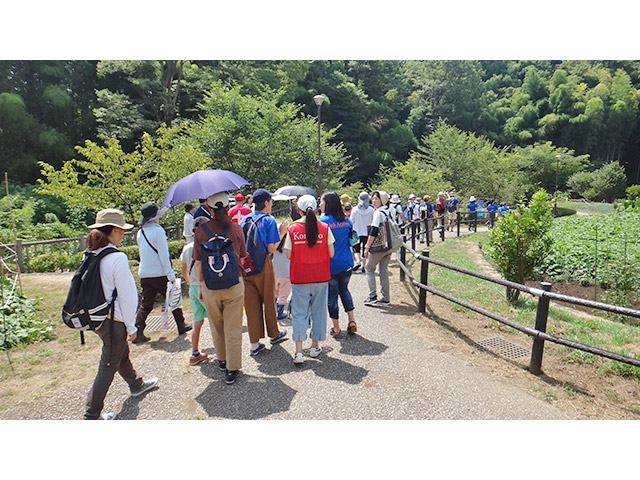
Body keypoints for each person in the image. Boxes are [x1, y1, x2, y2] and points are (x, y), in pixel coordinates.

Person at [83, 209, 158, 420]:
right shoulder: (117, 257)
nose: (123, 234)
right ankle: (92, 415)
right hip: (114, 321)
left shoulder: (90, 253)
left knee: (119, 352)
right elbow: (127, 297)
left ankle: (136, 384)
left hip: (97, 318)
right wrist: (132, 327)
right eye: (121, 230)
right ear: (115, 230)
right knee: (108, 366)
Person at [193, 192, 247, 385]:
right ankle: (232, 369)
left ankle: (222, 360)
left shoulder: (201, 231)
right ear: (227, 207)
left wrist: (200, 287)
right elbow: (241, 257)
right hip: (234, 283)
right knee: (233, 328)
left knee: (216, 326)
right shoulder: (236, 228)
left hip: (209, 286)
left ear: (209, 208)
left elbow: (199, 263)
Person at [285, 195, 335, 364]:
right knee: (318, 311)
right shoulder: (325, 227)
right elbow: (331, 253)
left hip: (299, 276)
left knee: (299, 313)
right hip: (321, 276)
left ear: (298, 210)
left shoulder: (292, 229)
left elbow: (288, 254)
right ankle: (315, 347)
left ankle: (299, 352)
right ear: (315, 209)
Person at [134, 202, 192, 343]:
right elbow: (163, 255)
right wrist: (170, 274)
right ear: (155, 217)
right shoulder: (158, 230)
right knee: (173, 299)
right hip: (159, 273)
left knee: (146, 304)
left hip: (145, 273)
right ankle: (181, 325)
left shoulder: (140, 232)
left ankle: (137, 329)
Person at [240, 188, 288, 356]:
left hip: (246, 266)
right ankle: (274, 334)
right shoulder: (268, 220)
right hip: (263, 265)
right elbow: (271, 248)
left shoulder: (244, 219)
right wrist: (282, 232)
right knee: (268, 299)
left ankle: (254, 344)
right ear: (266, 202)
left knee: (251, 304)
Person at [319, 191, 357, 337]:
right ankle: (352, 320)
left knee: (332, 296)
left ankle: (336, 328)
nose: (320, 204)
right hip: (347, 262)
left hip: (331, 265)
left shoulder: (323, 222)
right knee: (345, 290)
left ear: (327, 204)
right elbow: (352, 241)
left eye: (322, 202)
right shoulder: (347, 221)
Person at [180, 216, 210, 366]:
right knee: (216, 320)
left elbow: (183, 270)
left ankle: (194, 353)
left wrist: (190, 281)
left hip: (192, 287)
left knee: (197, 321)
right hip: (204, 287)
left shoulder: (187, 248)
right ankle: (223, 354)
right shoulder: (206, 246)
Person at [363, 190, 394, 306]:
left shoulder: (378, 213)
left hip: (379, 247)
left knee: (369, 268)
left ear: (383, 200)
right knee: (383, 271)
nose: (373, 200)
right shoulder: (389, 211)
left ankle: (372, 296)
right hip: (388, 246)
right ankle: (385, 297)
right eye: (373, 198)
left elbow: (374, 230)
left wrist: (367, 246)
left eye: (376, 198)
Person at [350, 191, 374, 273]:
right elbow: (373, 221)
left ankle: (357, 261)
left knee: (355, 248)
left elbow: (351, 221)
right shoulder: (371, 210)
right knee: (365, 248)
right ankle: (364, 265)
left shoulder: (355, 209)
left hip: (356, 231)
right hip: (367, 232)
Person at [272, 220, 291, 320]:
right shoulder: (288, 246)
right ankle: (280, 313)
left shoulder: (274, 246)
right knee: (283, 295)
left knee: (275, 292)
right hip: (286, 274)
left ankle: (273, 309)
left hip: (275, 272)